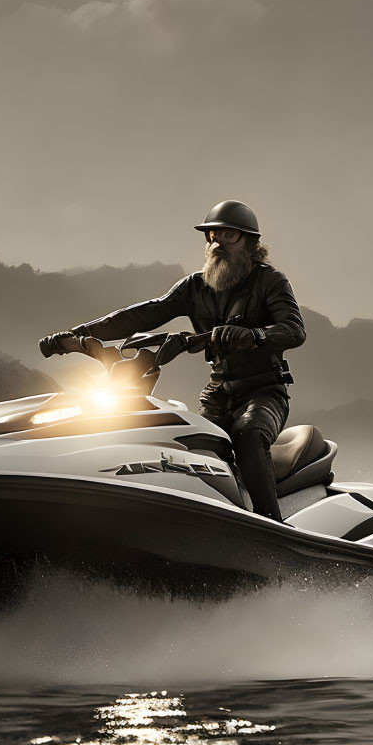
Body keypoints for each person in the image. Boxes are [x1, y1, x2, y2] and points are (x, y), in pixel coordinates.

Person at [39, 200, 305, 522]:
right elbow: (145, 313)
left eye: (228, 235)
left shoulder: (270, 281)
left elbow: (294, 329)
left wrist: (255, 337)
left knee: (248, 435)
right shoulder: (195, 287)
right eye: (212, 235)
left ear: (249, 242)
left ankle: (271, 523)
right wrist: (76, 334)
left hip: (264, 391)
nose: (217, 242)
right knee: (189, 449)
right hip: (218, 394)